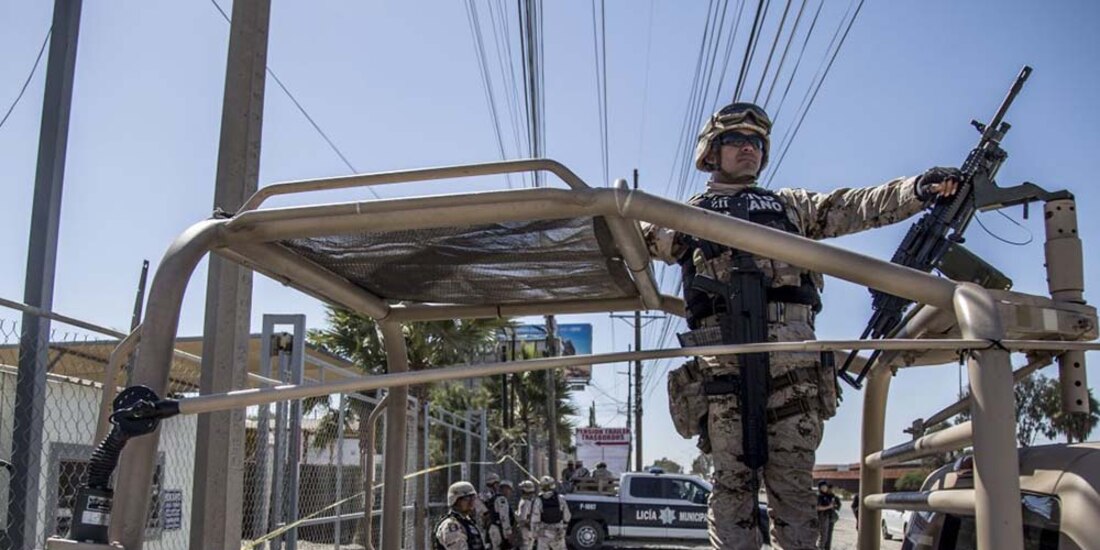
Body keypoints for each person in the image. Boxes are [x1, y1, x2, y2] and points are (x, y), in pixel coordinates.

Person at [649, 102, 960, 549]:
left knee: (793, 490)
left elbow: (854, 206)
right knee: (731, 486)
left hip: (791, 367)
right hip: (725, 367)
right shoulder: (682, 215)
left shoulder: (791, 208)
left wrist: (918, 189)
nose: (748, 149)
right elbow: (631, 235)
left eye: (756, 143)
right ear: (711, 152)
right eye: (735, 141)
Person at [433, 481, 486, 550]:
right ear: (455, 501)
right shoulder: (450, 525)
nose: (471, 503)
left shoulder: (467, 522)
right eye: (466, 499)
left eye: (472, 498)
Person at [530, 476, 571, 550]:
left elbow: (535, 520)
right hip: (558, 532)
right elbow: (567, 517)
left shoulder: (538, 500)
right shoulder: (560, 498)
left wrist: (534, 535)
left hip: (543, 534)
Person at [479, 473, 513, 549]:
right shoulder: (501, 499)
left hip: (489, 528)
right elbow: (504, 518)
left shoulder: (484, 498)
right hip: (498, 529)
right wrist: (508, 533)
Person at [816, 482, 841, 550]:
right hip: (822, 517)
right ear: (820, 488)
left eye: (825, 487)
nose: (825, 488)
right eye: (823, 487)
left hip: (829, 517)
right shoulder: (819, 496)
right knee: (823, 536)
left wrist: (834, 506)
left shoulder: (830, 496)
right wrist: (829, 507)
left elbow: (837, 506)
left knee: (827, 536)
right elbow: (817, 508)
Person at [515, 480, 538, 550]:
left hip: (525, 532)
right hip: (531, 532)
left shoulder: (525, 503)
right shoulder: (534, 501)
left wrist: (515, 515)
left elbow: (522, 518)